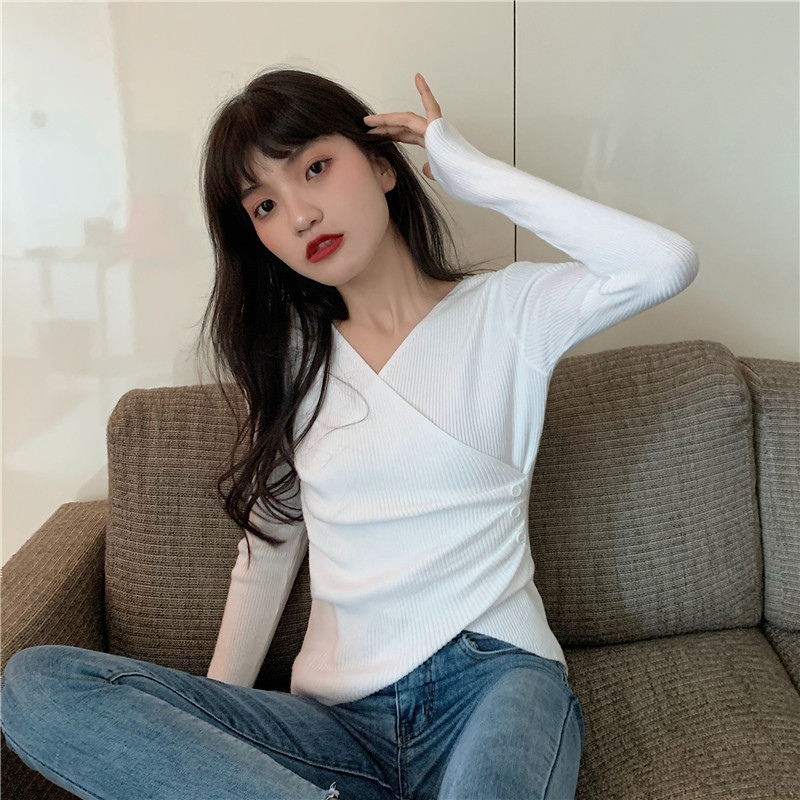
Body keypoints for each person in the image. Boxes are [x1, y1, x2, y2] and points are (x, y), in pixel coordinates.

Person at [0, 68, 699, 800]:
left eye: (315, 168)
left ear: (383, 166)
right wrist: (216, 731)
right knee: (34, 684)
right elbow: (268, 550)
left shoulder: (511, 313)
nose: (301, 215)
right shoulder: (291, 365)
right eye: (265, 205)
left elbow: (664, 263)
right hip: (334, 727)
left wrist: (472, 172)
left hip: (495, 685)